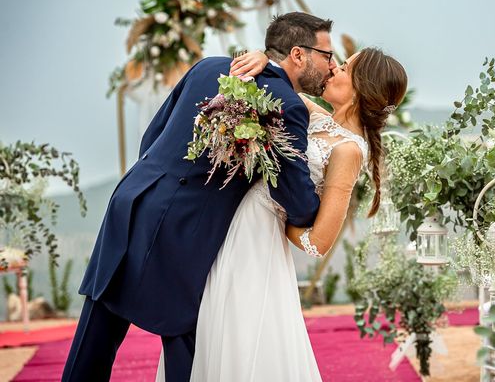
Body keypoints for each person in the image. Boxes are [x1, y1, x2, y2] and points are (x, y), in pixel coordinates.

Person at [61, 12, 336, 382]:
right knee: (189, 346)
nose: (331, 65)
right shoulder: (286, 105)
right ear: (299, 55)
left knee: (96, 333)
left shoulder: (210, 67)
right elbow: (294, 197)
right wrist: (321, 205)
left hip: (132, 199)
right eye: (327, 55)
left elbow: (153, 135)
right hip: (185, 230)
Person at [158, 47, 408, 381]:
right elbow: (281, 84)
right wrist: (264, 60)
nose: (333, 69)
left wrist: (276, 213)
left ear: (362, 88)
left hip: (259, 245)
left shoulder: (348, 151)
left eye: (345, 67)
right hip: (229, 228)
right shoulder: (317, 117)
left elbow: (318, 243)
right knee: (215, 333)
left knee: (243, 338)